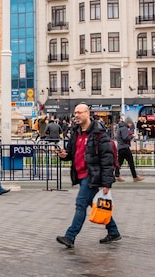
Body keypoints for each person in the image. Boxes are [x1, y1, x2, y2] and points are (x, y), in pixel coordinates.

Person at [55, 103, 120, 249]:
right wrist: (64, 155)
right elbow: (72, 153)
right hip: (81, 174)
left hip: (92, 176)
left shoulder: (99, 134)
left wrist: (106, 183)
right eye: (75, 113)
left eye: (80, 112)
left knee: (80, 203)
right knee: (94, 203)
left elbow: (107, 159)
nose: (77, 115)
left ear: (87, 113)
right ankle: (113, 231)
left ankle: (70, 236)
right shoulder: (75, 132)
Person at [114, 118, 143, 183]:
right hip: (124, 147)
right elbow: (125, 138)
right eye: (130, 124)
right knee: (131, 162)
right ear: (127, 123)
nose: (131, 125)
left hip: (121, 147)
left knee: (119, 163)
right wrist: (132, 136)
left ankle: (117, 175)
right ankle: (135, 177)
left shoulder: (120, 128)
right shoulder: (124, 128)